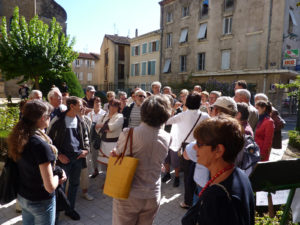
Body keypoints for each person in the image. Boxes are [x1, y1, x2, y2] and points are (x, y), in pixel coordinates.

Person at [182, 115, 255, 225]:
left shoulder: (217, 198)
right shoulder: (239, 175)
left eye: (199, 144)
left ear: (218, 150)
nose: (195, 148)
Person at [111, 95, 172, 225]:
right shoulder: (167, 137)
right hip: (153, 194)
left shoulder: (129, 133)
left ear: (143, 111)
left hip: (129, 193)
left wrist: (114, 154)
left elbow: (118, 154)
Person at [7, 100, 67, 225]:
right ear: (41, 118)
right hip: (40, 200)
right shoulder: (40, 145)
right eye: (49, 115)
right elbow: (50, 187)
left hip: (23, 196)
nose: (50, 117)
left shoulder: (19, 137)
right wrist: (60, 176)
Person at [47, 96, 90, 221]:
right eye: (80, 105)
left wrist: (86, 150)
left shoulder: (80, 120)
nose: (83, 107)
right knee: (60, 186)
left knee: (75, 184)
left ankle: (70, 209)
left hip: (77, 158)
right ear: (72, 106)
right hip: (62, 159)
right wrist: (59, 154)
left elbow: (85, 137)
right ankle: (55, 214)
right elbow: (48, 140)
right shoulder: (58, 120)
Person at [166, 93, 210, 209]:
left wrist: (173, 110)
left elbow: (167, 121)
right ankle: (200, 201)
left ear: (187, 102)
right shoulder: (205, 116)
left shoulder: (182, 115)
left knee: (188, 176)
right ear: (199, 103)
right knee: (202, 173)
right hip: (201, 146)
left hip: (186, 147)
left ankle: (188, 201)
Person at [96, 99, 124, 166]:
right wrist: (105, 127)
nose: (113, 107)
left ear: (118, 107)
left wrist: (103, 127)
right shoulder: (104, 115)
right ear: (109, 106)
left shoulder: (120, 116)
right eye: (111, 105)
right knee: (105, 165)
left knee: (113, 163)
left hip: (114, 144)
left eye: (115, 105)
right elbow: (96, 127)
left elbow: (112, 127)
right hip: (103, 142)